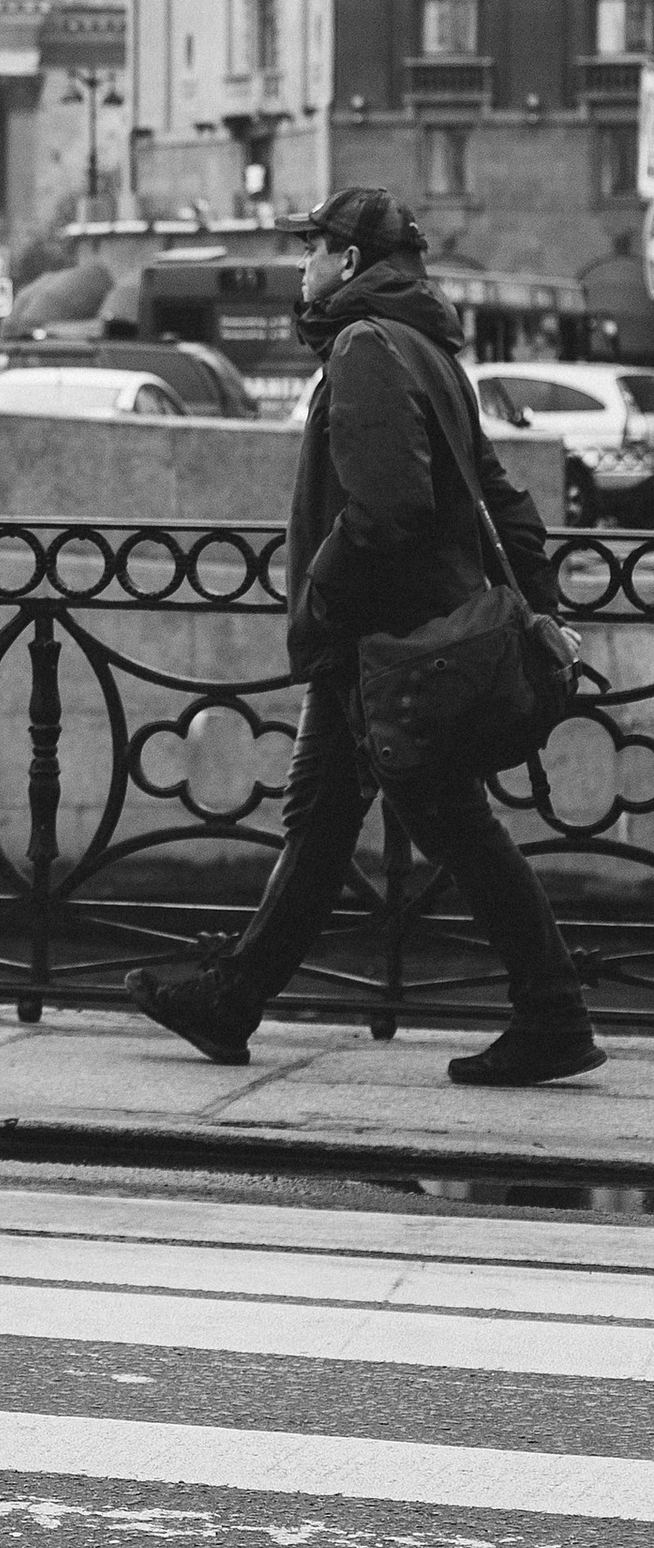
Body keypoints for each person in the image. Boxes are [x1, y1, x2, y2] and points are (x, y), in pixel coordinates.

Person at [127, 187, 600, 1088]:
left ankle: (554, 1014)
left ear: (347, 261)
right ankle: (232, 1000)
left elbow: (389, 509)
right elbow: (502, 496)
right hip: (410, 640)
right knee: (322, 819)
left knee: (452, 825)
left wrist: (321, 594)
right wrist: (539, 606)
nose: (300, 266)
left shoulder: (364, 346)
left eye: (311, 248)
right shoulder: (429, 349)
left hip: (390, 645)